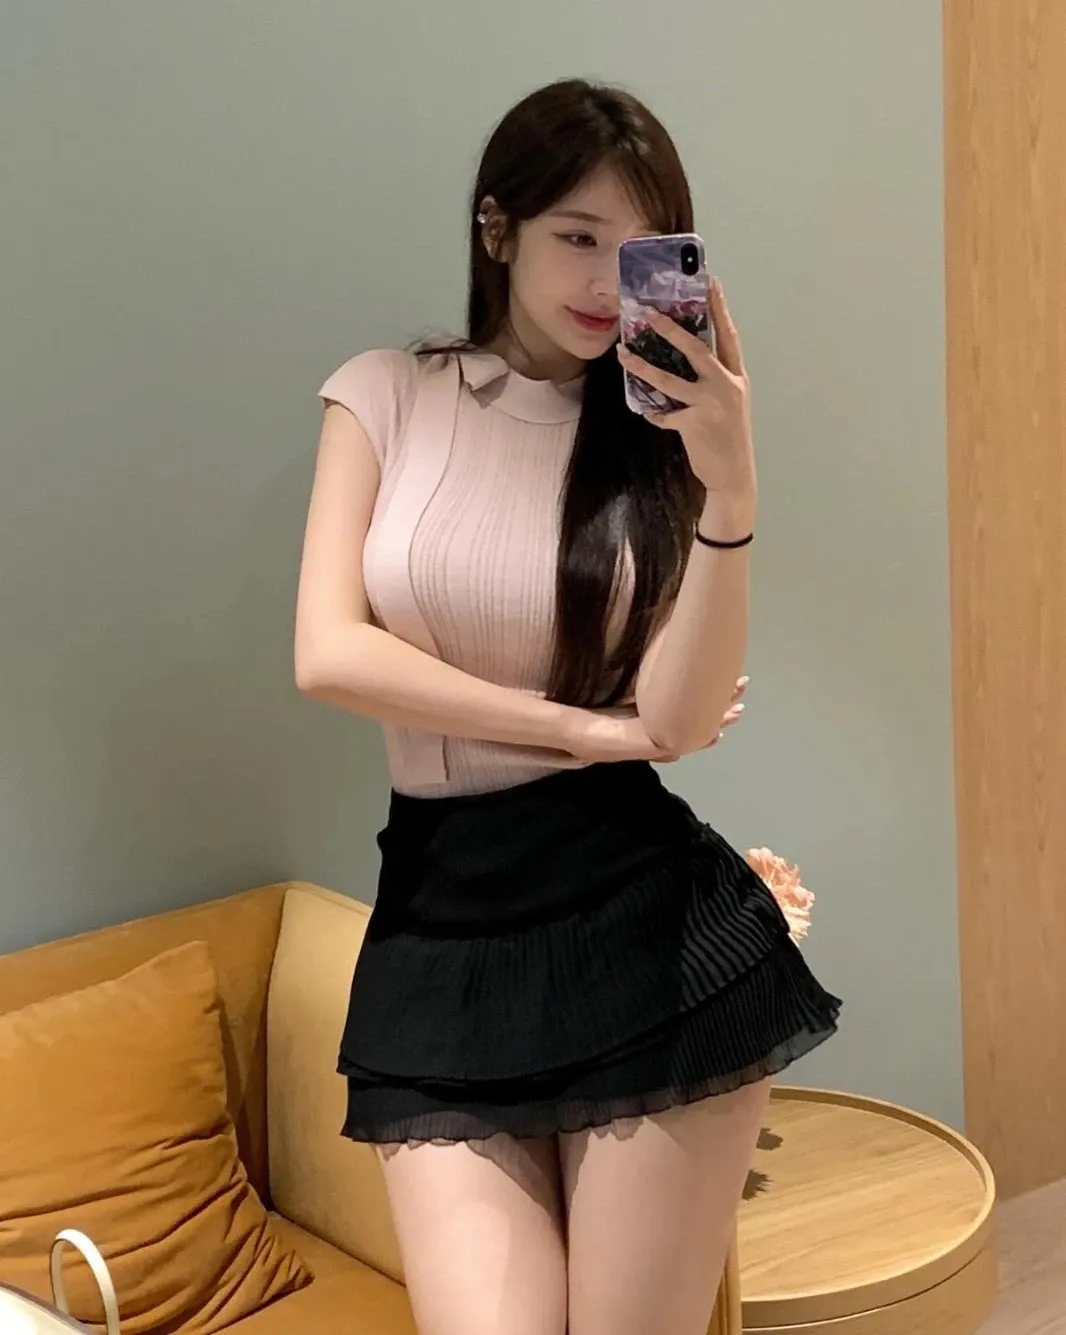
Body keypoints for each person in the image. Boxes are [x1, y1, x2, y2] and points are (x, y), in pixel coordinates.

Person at [294, 77, 841, 1335]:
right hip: (439, 931)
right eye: (576, 237)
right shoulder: (383, 395)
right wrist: (579, 729)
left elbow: (678, 724)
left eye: (637, 249)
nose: (604, 283)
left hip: (644, 923)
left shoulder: (658, 442)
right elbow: (327, 653)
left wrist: (731, 484)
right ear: (498, 229)